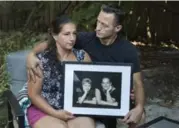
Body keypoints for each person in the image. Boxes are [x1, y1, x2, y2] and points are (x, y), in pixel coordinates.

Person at [26, 4, 145, 128]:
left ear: (117, 28)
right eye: (98, 22)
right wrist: (31, 54)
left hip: (97, 99)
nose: (98, 28)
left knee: (139, 116)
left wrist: (136, 104)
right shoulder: (84, 39)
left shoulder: (127, 50)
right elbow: (53, 42)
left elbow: (137, 83)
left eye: (104, 25)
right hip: (58, 106)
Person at [18, 15, 98, 128]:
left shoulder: (82, 57)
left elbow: (92, 85)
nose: (72, 38)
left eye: (74, 33)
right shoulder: (41, 59)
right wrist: (55, 113)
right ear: (55, 36)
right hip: (44, 109)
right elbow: (33, 94)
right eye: (66, 34)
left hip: (73, 108)